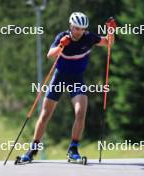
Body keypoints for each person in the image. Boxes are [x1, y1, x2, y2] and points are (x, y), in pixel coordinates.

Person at [19, 12, 116, 163]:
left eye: (82, 29)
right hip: (59, 78)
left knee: (80, 111)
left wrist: (111, 32)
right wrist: (61, 45)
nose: (79, 31)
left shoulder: (89, 38)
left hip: (76, 80)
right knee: (45, 114)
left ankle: (73, 149)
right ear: (71, 26)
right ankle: (33, 149)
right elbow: (50, 54)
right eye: (76, 28)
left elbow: (108, 43)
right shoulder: (63, 37)